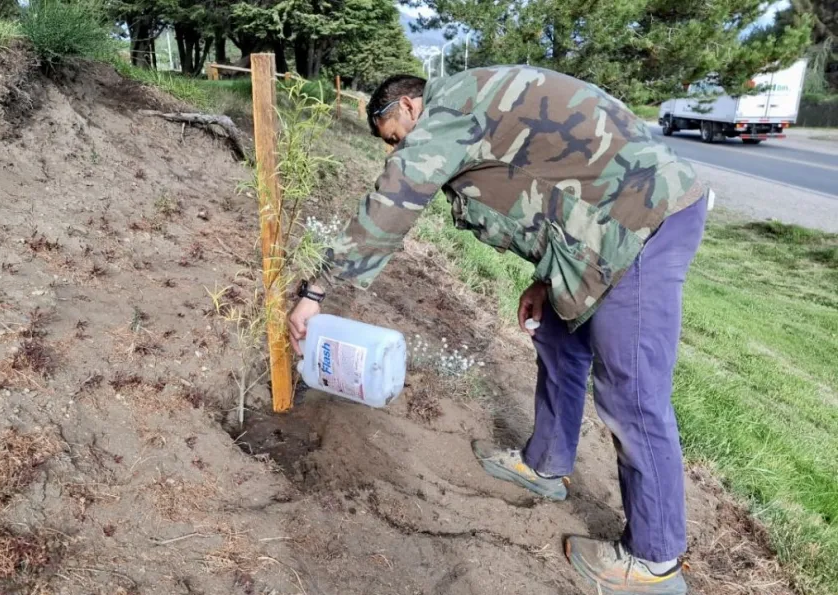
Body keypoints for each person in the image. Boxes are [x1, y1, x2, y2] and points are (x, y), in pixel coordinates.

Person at [288, 66, 710, 594]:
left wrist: (316, 290)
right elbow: (556, 182)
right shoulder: (475, 102)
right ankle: (546, 465)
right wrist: (545, 276)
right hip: (599, 228)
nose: (395, 152)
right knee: (558, 339)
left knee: (634, 397)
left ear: (410, 108)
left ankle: (655, 560)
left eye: (396, 139)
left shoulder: (449, 108)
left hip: (644, 223)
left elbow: (397, 195)